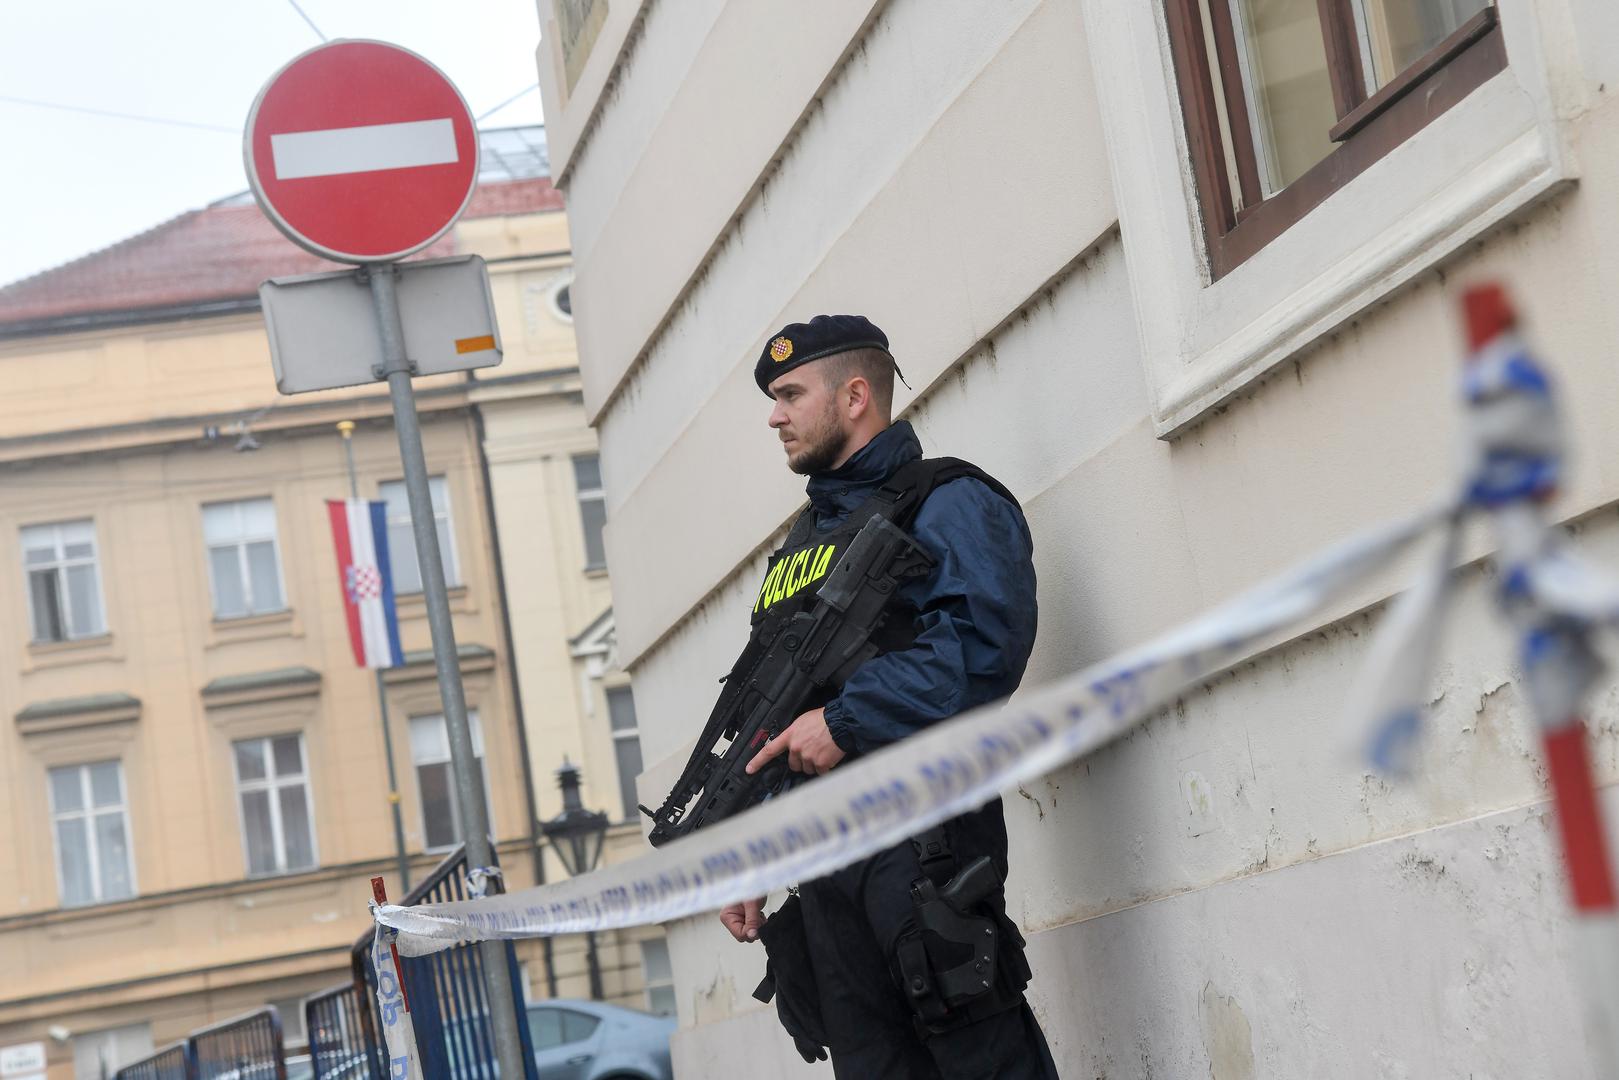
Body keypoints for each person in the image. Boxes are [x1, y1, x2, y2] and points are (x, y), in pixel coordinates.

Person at [718, 314, 1059, 1078]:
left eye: (790, 394)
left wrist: (846, 721)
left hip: (924, 844)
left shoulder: (947, 499)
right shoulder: (804, 543)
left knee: (979, 1058)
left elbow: (982, 646)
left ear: (855, 395)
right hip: (827, 861)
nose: (774, 415)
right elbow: (773, 716)